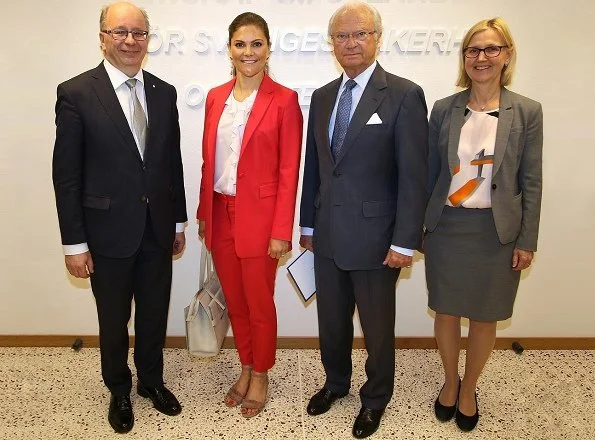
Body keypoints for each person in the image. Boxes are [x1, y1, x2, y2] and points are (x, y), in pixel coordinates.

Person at [52, 2, 187, 434]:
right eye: (120, 32)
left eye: (139, 33)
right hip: (105, 233)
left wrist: (179, 222)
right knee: (113, 319)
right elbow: (67, 176)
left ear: (149, 38)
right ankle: (119, 389)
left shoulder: (164, 92)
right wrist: (74, 244)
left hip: (157, 230)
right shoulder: (75, 93)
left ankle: (151, 382)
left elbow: (172, 163)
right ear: (103, 36)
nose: (130, 40)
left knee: (153, 313)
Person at [299, 1, 428, 438]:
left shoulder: (404, 95)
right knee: (331, 322)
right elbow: (314, 167)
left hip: (377, 239)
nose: (350, 42)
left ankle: (376, 398)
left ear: (377, 38)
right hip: (328, 237)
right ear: (331, 43)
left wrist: (404, 241)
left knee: (376, 328)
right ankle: (336, 383)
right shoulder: (321, 97)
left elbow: (415, 175)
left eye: (360, 34)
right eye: (342, 36)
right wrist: (308, 226)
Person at [424, 17, 543, 432]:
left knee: (485, 315)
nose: (482, 58)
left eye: (492, 49)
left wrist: (527, 239)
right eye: (473, 50)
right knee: (446, 310)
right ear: (464, 58)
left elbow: (531, 179)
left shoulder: (527, 111)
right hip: (447, 228)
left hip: (496, 231)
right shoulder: (444, 109)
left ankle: (469, 387)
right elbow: (428, 173)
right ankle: (448, 382)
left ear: (507, 55)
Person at [197, 12, 303, 419]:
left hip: (260, 219)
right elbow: (210, 162)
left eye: (256, 44)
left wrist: (281, 231)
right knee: (235, 301)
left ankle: (261, 373)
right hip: (220, 214)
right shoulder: (215, 97)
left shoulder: (284, 100)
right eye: (240, 44)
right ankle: (244, 364)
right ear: (229, 49)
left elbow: (288, 171)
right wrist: (205, 214)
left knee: (259, 302)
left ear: (268, 49)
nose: (248, 52)